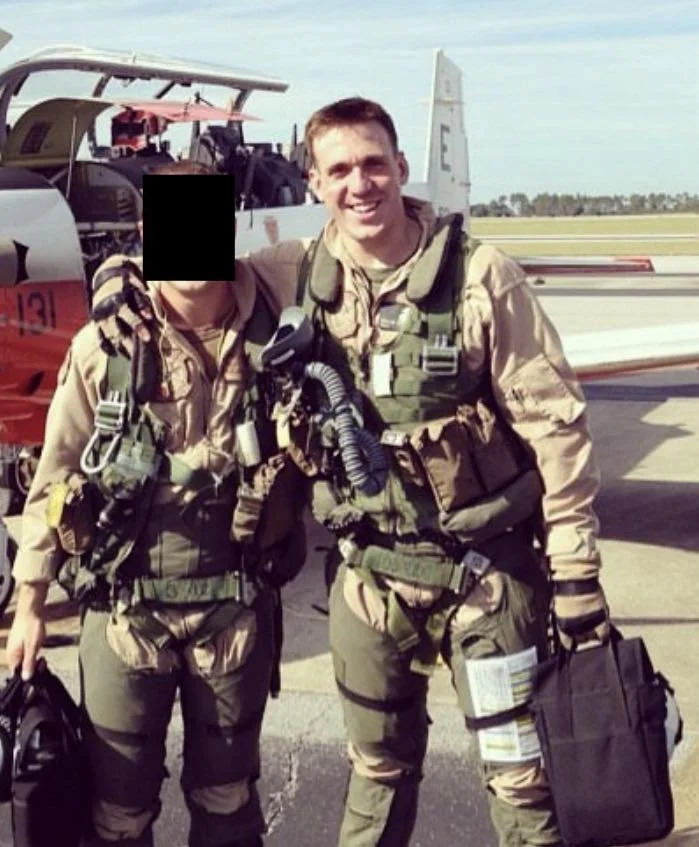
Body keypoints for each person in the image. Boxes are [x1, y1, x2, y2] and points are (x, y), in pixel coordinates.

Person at [92, 99, 612, 847]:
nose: (359, 184)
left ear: (400, 168)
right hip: (369, 580)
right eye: (339, 170)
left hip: (485, 575)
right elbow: (193, 272)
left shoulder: (479, 278)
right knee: (374, 777)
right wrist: (119, 274)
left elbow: (555, 426)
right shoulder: (296, 271)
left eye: (373, 164)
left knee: (520, 783)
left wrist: (574, 573)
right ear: (315, 182)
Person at [5, 160, 307, 847]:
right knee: (116, 814)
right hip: (124, 615)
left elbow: (359, 243)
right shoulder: (104, 348)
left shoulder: (278, 332)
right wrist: (27, 604)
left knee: (228, 802)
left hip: (235, 611)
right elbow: (53, 477)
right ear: (146, 233)